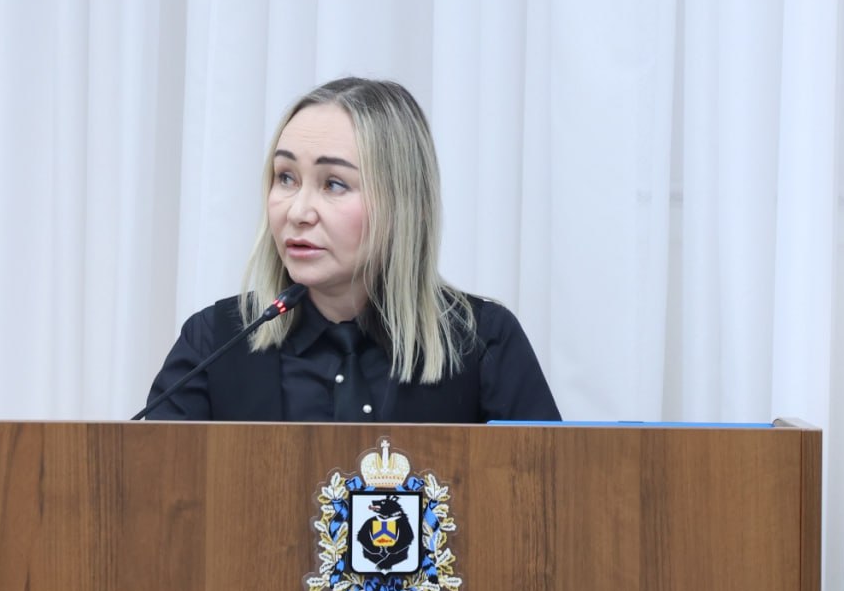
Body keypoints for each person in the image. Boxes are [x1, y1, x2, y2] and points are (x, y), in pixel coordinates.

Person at [141, 77, 560, 423]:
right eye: (285, 177)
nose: (298, 212)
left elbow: (547, 494)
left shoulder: (483, 343)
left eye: (334, 184)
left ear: (403, 203)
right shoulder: (214, 343)